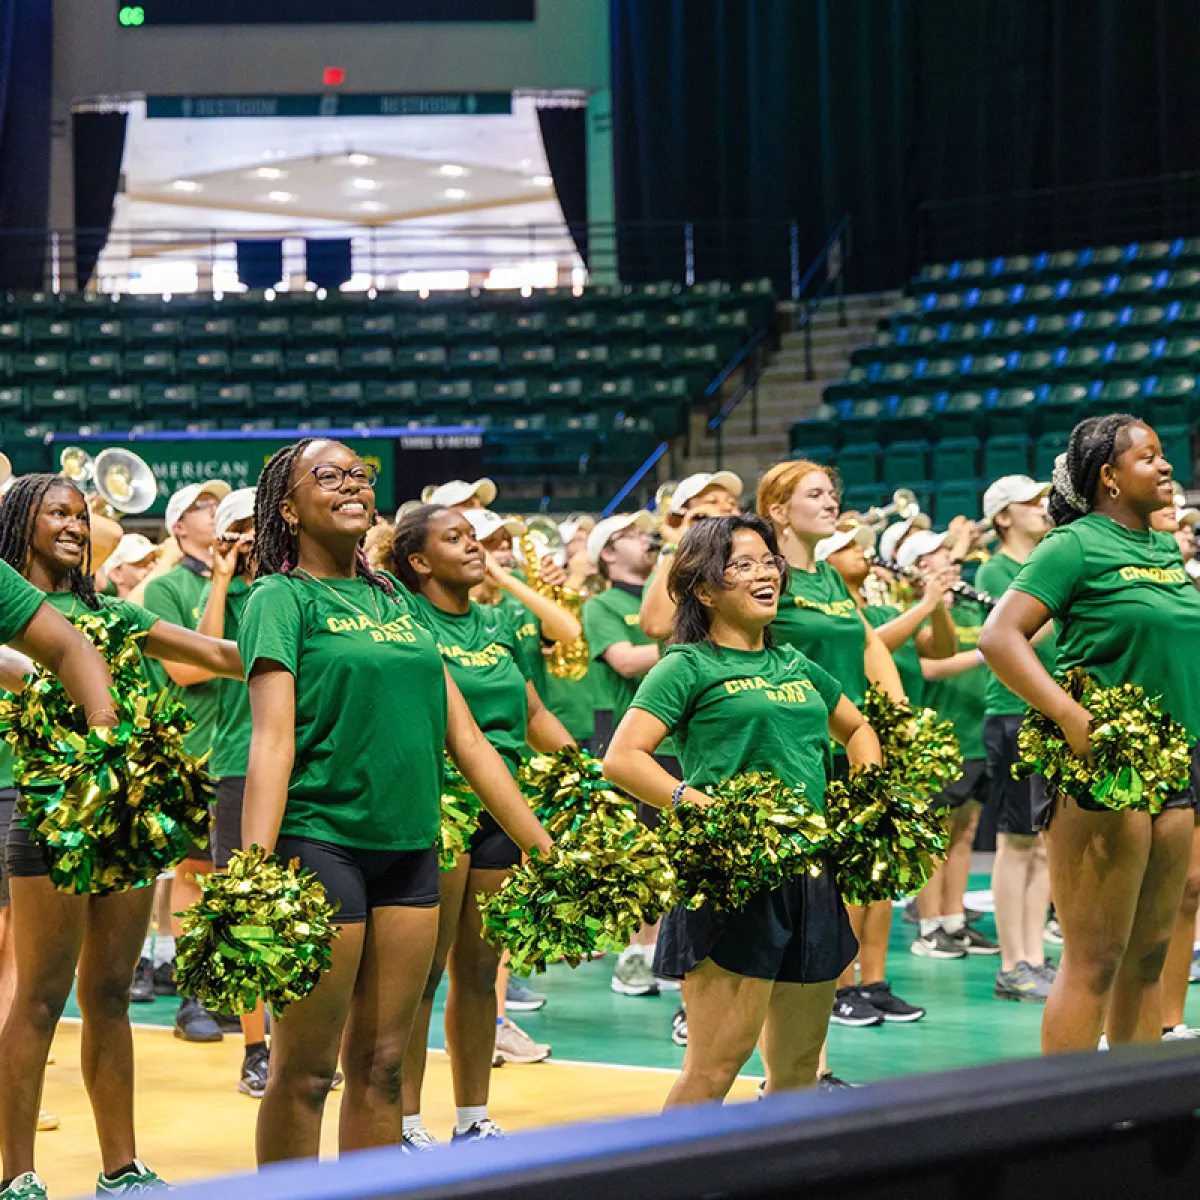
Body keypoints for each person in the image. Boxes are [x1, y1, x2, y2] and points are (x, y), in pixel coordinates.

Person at [238, 440, 551, 1165]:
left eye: (360, 474)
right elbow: (272, 741)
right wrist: (251, 877)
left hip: (411, 848)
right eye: (328, 475)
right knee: (310, 1072)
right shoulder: (280, 597)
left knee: (383, 1066)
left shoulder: (396, 603)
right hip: (321, 843)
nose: (351, 484)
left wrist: (543, 847)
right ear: (288, 507)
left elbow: (467, 741)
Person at [0, 474, 242, 1200]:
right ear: (20, 522)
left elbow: (219, 655)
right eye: (58, 513)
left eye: (83, 515)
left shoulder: (114, 612)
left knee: (109, 994)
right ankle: (16, 1174)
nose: (76, 525)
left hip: (128, 819)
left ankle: (122, 1168)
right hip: (49, 813)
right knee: (40, 997)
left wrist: (295, 636)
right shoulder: (14, 606)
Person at [603, 514, 881, 1105]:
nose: (765, 575)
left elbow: (857, 728)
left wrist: (865, 792)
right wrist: (694, 802)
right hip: (733, 876)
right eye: (744, 565)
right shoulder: (686, 666)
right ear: (704, 590)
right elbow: (623, 759)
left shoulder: (795, 665)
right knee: (714, 1067)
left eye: (769, 562)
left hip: (810, 873)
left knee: (800, 1069)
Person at [979, 414, 1200, 1053]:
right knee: (1095, 961)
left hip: (1172, 767)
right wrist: (1075, 719)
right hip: (1103, 770)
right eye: (1148, 457)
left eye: (1163, 455)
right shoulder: (1073, 545)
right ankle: (1063, 1125)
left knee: (1148, 959)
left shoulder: (1162, 547)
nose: (1165, 466)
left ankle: (1134, 1115)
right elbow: (1000, 637)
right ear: (1108, 477)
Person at [370, 504, 576, 1149]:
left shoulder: (497, 623)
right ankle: (403, 1122)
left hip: (502, 809)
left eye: (475, 536)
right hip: (436, 808)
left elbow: (532, 709)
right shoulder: (403, 620)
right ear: (418, 561)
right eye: (454, 538)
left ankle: (471, 1119)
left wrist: (587, 778)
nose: (474, 545)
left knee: (481, 972)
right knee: (422, 973)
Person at [755, 460, 921, 1035]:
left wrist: (898, 714)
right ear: (777, 509)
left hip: (849, 745)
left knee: (852, 884)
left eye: (833, 493)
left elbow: (868, 642)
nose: (832, 503)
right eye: (816, 494)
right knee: (805, 903)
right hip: (794, 752)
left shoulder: (827, 577)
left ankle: (821, 1036)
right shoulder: (766, 575)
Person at [187, 486, 274, 1096]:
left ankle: (301, 1042)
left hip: (304, 766)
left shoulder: (293, 589)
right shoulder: (222, 594)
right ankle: (255, 1047)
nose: (251, 537)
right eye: (239, 528)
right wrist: (221, 578)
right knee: (245, 914)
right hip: (239, 767)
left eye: (258, 526)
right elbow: (193, 666)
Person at [140, 479, 233, 1044]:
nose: (215, 512)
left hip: (241, 752)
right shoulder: (164, 589)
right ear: (179, 528)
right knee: (196, 874)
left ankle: (225, 987)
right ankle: (192, 992)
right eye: (203, 507)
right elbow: (189, 670)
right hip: (194, 753)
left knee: (234, 876)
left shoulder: (254, 582)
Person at [893, 529, 1000, 961]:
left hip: (976, 732)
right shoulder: (909, 614)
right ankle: (929, 923)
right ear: (917, 569)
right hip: (937, 737)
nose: (951, 561)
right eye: (937, 555)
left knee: (965, 832)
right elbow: (927, 667)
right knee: (933, 837)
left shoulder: (972, 606)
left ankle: (955, 921)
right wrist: (986, 654)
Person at [581, 512, 672, 1000]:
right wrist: (695, 642)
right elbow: (626, 660)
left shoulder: (669, 597)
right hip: (633, 740)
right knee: (640, 853)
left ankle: (665, 951)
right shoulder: (601, 604)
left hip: (684, 739)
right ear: (607, 554)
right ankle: (633, 956)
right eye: (631, 535)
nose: (646, 538)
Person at [975, 477, 1057, 1003]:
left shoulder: (1045, 562)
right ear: (1002, 516)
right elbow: (1009, 640)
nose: (1041, 508)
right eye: (1028, 503)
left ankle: (1034, 955)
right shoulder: (995, 569)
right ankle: (1012, 962)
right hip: (1012, 712)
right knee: (1016, 841)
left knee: (1046, 845)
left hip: (1047, 710)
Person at [639, 471, 743, 641]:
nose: (727, 508)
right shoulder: (670, 568)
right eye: (712, 502)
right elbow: (656, 626)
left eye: (732, 503)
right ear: (687, 515)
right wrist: (676, 544)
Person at [95, 534, 159, 600]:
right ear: (116, 575)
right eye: (142, 562)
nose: (152, 566)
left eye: (154, 559)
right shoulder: (112, 609)